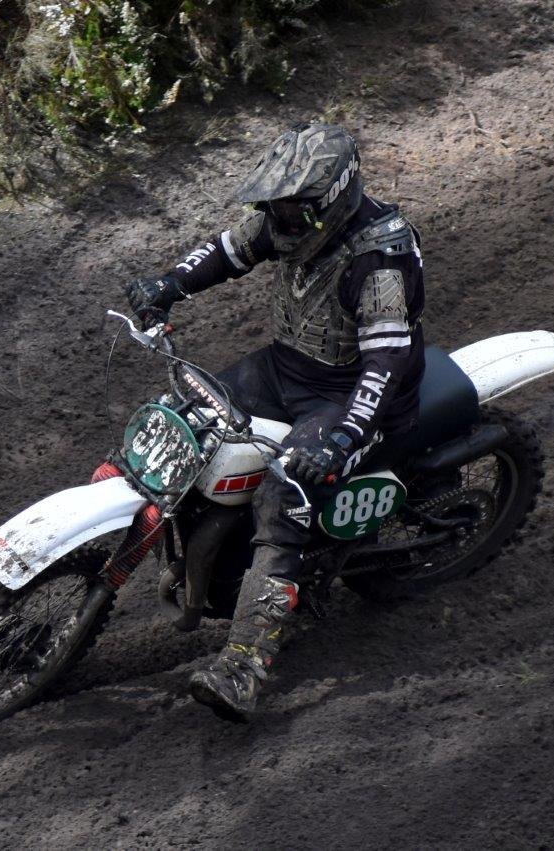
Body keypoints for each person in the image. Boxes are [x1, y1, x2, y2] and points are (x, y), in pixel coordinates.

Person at [126, 122, 426, 721]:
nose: (280, 221)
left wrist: (345, 436)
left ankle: (244, 665)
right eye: (277, 208)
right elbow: (227, 251)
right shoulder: (290, 220)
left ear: (331, 199)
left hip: (352, 393)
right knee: (185, 416)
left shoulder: (380, 258)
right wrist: (170, 284)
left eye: (292, 210)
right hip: (287, 367)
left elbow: (385, 360)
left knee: (283, 495)